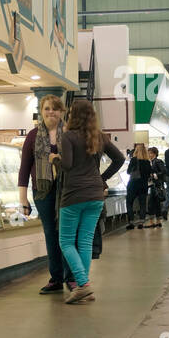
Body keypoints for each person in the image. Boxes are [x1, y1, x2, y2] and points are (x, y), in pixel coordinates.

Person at [56, 98, 124, 303]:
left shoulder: (68, 137)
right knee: (85, 241)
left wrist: (55, 159)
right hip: (95, 194)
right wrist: (101, 178)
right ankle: (83, 285)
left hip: (74, 194)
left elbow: (67, 165)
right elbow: (119, 159)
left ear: (72, 115)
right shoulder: (99, 137)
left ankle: (83, 285)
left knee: (66, 241)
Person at [18, 94, 75, 294]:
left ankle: (72, 277)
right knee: (51, 234)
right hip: (42, 192)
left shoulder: (69, 134)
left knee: (66, 234)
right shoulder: (33, 136)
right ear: (41, 112)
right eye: (47, 108)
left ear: (62, 112)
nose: (51, 112)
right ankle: (56, 278)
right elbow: (24, 169)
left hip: (67, 191)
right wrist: (23, 199)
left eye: (55, 108)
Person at [126, 143, 152, 229]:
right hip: (143, 184)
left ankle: (131, 222)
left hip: (133, 184)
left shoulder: (133, 160)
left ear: (136, 151)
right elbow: (149, 174)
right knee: (142, 203)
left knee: (129, 202)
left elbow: (128, 171)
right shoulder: (147, 162)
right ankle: (141, 222)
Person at [147, 147, 167, 226]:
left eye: (150, 153)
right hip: (153, 185)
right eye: (148, 153)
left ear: (154, 153)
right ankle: (157, 221)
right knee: (155, 203)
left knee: (152, 203)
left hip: (156, 185)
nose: (149, 154)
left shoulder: (158, 161)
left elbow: (164, 171)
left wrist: (156, 175)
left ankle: (154, 221)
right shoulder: (151, 162)